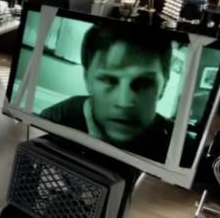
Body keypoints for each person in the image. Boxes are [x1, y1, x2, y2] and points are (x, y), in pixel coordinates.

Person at [40, 23, 175, 162]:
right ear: (87, 79)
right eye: (109, 80)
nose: (124, 102)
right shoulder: (51, 124)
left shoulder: (182, 151)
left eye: (144, 83)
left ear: (164, 86)